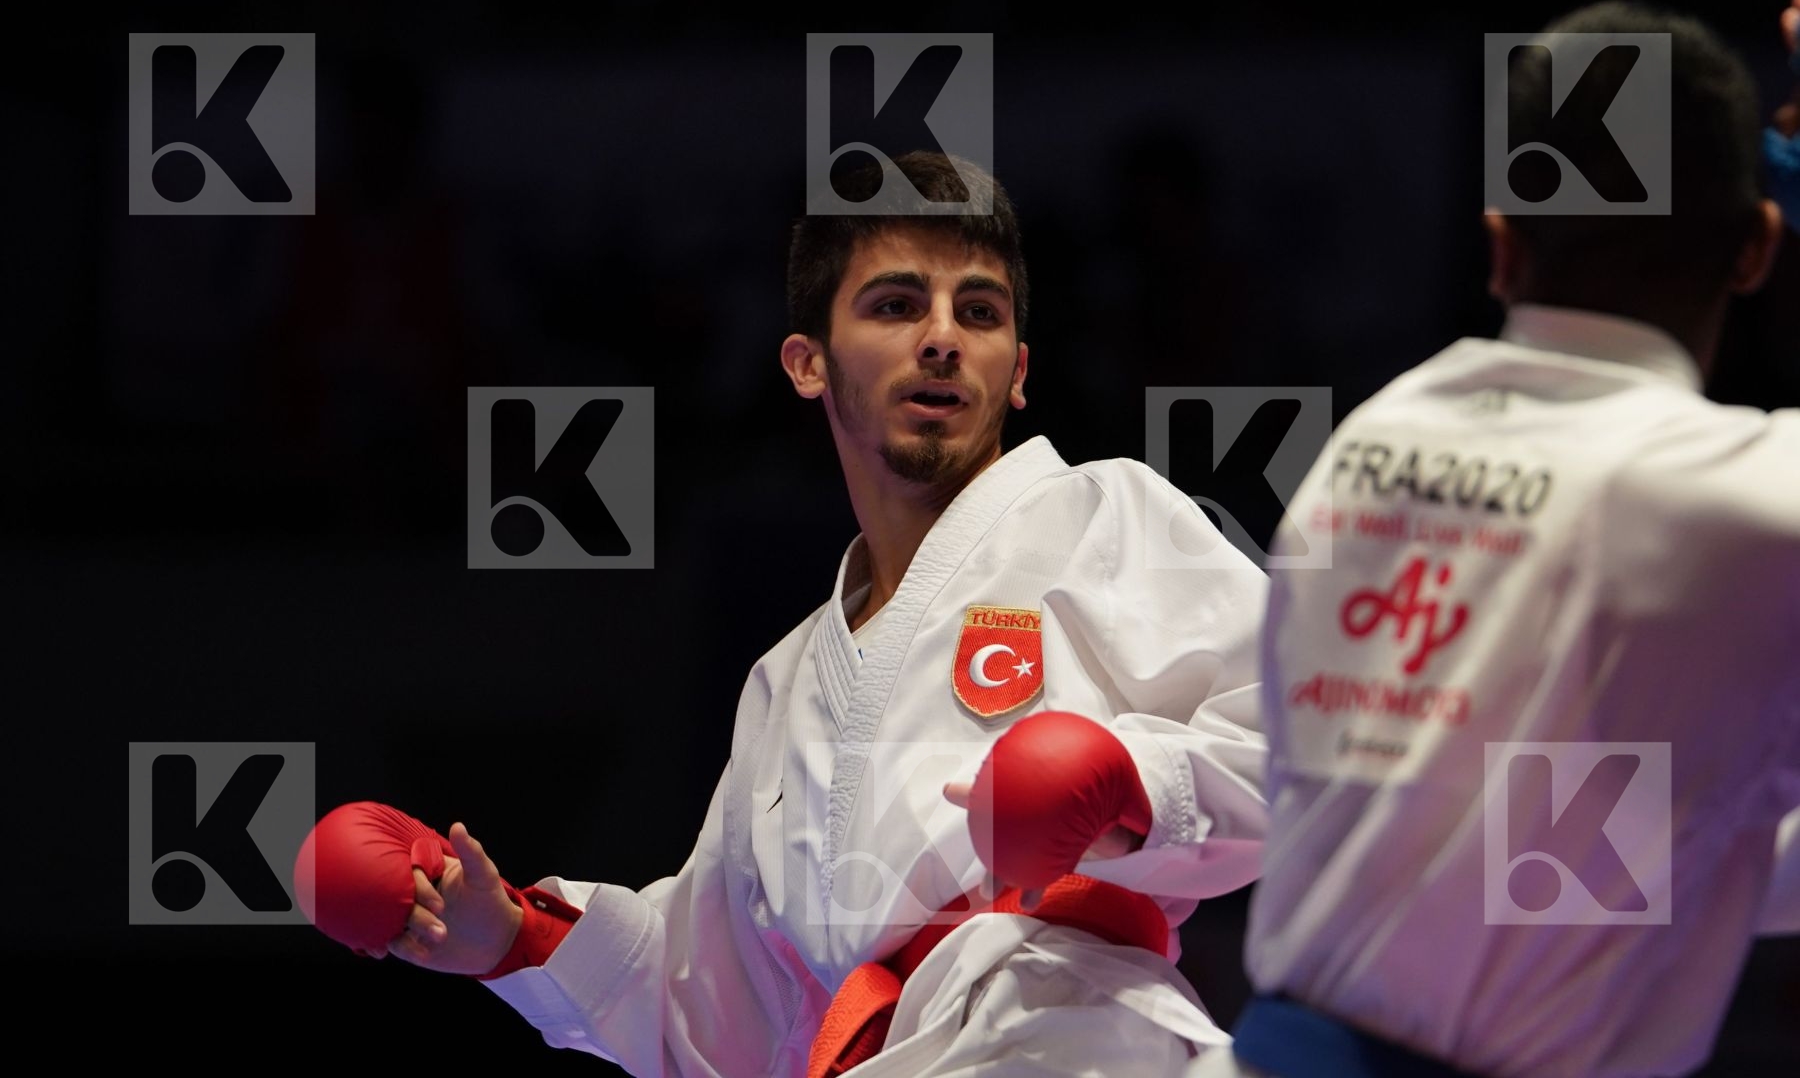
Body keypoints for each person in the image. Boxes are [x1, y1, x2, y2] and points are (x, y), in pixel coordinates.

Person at [301, 151, 1273, 1076]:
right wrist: (510, 937)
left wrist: (1132, 786)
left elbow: (1320, 749)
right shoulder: (790, 680)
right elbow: (715, 1016)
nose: (942, 336)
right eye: (896, 305)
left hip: (1072, 1043)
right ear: (808, 364)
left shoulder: (1104, 514)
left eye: (977, 312)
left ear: (1016, 370)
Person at [1209, 0, 1799, 1078]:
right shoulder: (1743, 505)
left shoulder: (1364, 446)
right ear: (1756, 250)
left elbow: (1622, 865)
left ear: (1499, 247)